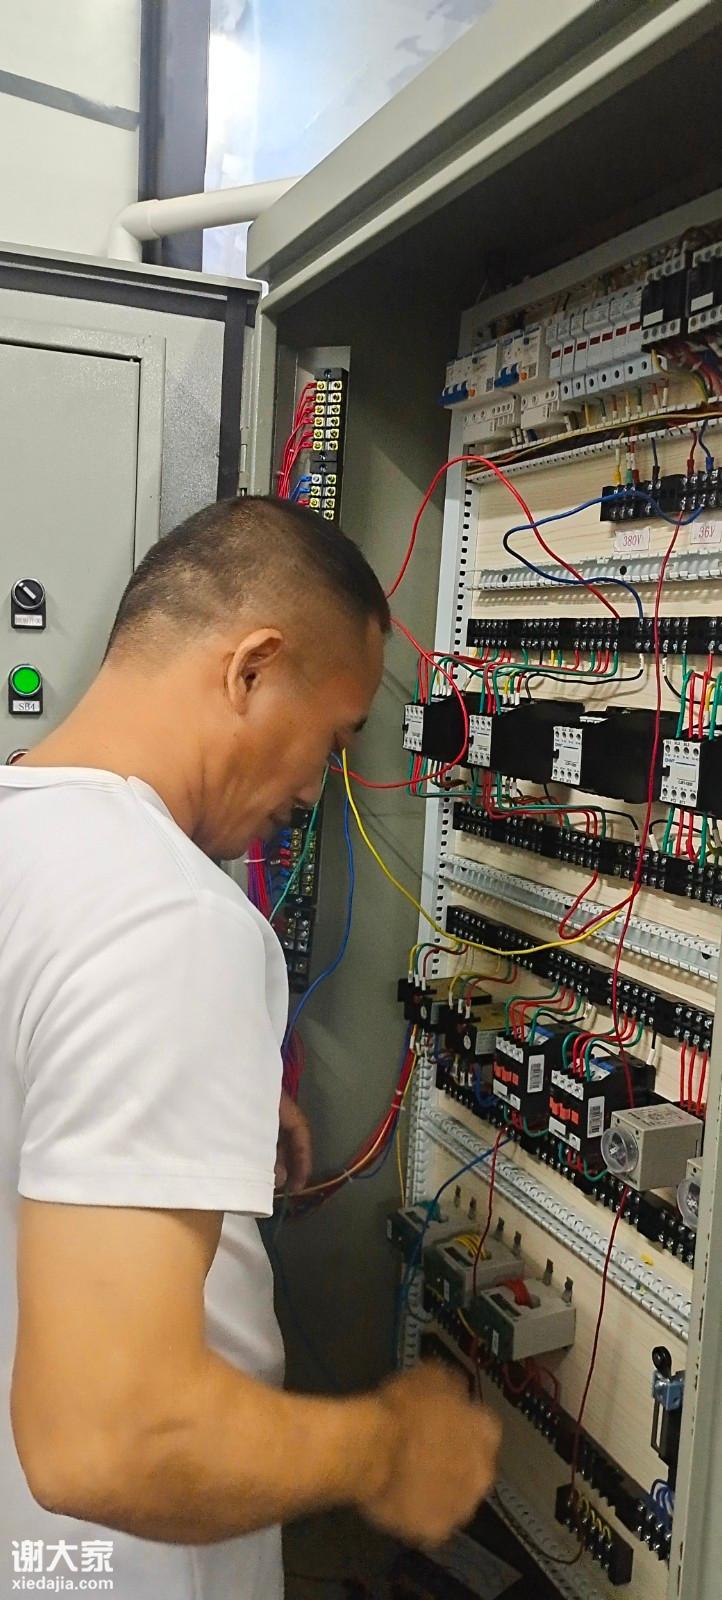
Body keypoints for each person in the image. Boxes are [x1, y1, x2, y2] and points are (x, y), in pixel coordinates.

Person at [1, 497, 500, 1600]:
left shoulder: (28, 831)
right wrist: (386, 1449)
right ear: (251, 669)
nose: (315, 788)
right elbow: (107, 1441)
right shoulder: (168, 918)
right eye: (331, 740)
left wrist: (196, 1101)